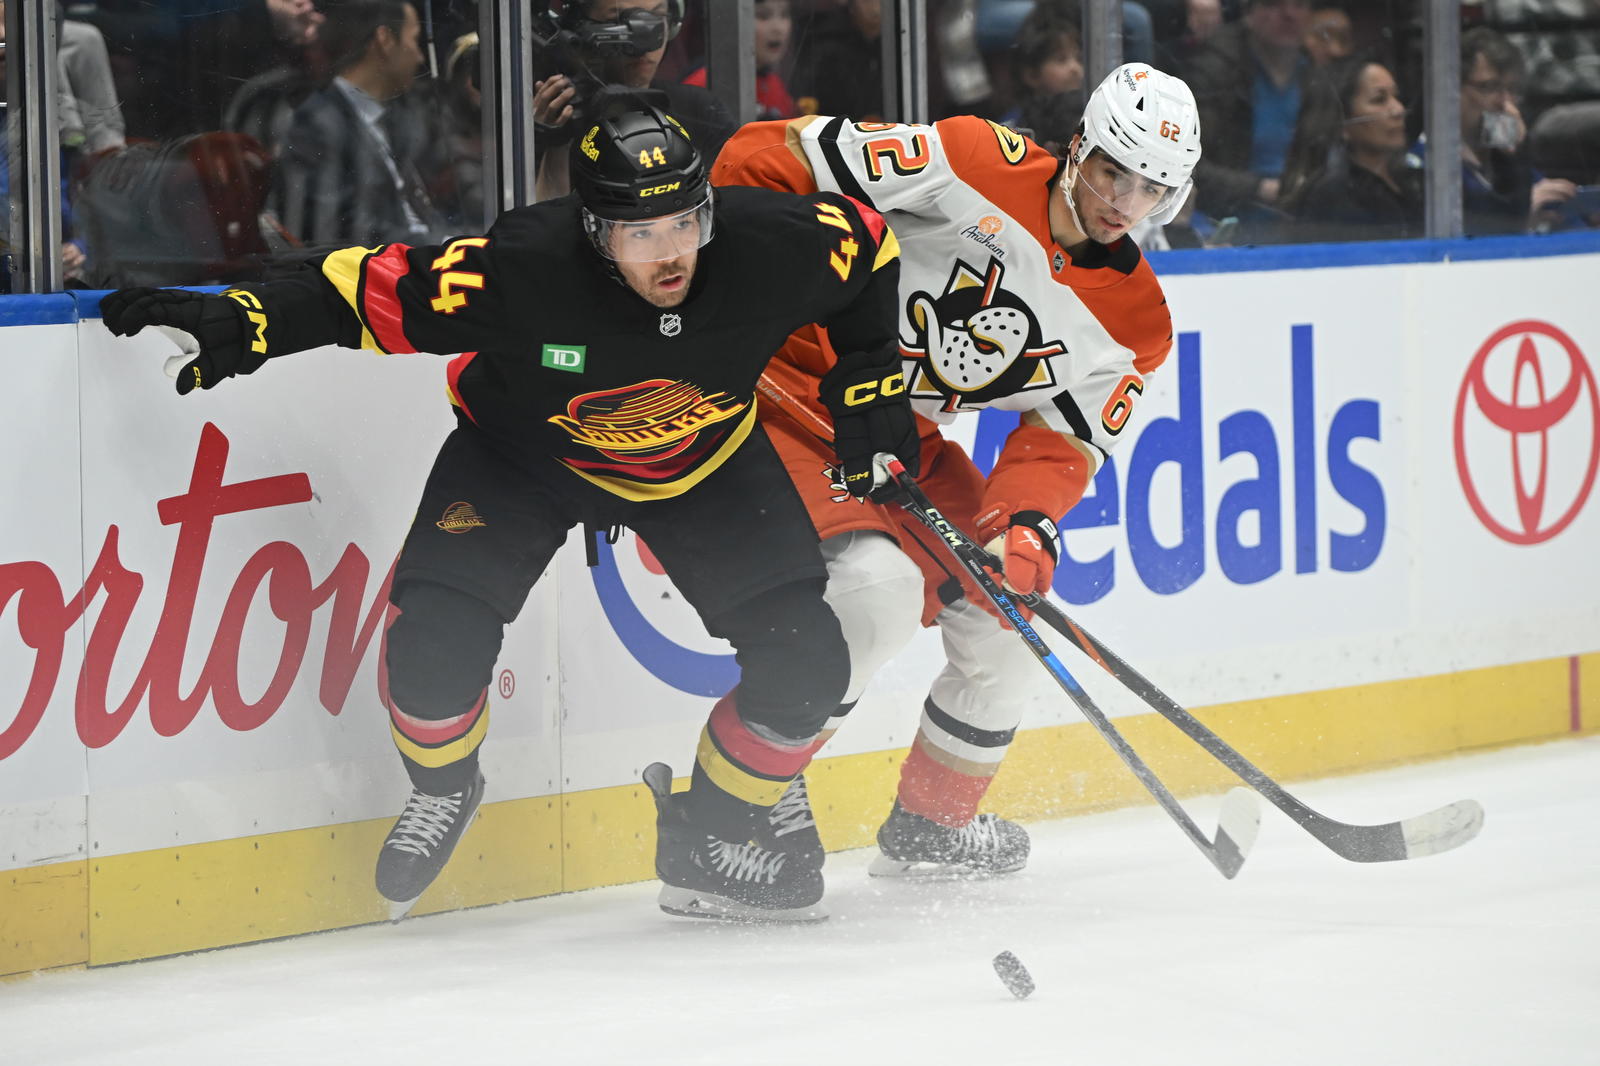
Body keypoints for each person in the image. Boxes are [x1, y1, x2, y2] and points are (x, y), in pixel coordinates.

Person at [99, 93, 917, 924]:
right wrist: (247, 321)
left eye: (685, 224)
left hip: (704, 462)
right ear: (595, 232)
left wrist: (873, 381)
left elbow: (873, 247)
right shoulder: (525, 267)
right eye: (640, 235)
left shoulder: (770, 242)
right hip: (522, 459)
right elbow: (363, 292)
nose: (671, 257)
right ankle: (446, 786)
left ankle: (713, 828)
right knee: (431, 647)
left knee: (808, 665)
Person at [712, 63, 1194, 880]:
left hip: (899, 435)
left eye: (1149, 188)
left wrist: (1023, 527)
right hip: (785, 389)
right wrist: (739, 276)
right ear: (1079, 148)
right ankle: (738, 807)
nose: (1123, 200)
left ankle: (930, 825)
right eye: (1114, 170)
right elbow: (769, 158)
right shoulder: (974, 163)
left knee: (1009, 619)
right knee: (872, 601)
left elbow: (1058, 444)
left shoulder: (1137, 325)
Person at [272, 0, 445, 247]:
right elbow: (342, 230)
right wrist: (432, 248)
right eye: (414, 40)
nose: (419, 57)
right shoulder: (319, 124)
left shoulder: (388, 120)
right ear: (385, 40)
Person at [531, 0, 735, 200]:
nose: (646, 37)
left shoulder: (700, 109)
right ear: (577, 29)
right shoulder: (554, 116)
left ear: (673, 22)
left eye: (656, 17)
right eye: (619, 19)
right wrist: (553, 140)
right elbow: (546, 221)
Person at [1184, 0, 1313, 227]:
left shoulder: (1315, 73)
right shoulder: (1215, 71)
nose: (1289, 14)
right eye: (1274, 4)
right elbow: (1188, 163)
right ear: (1248, 13)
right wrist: (1260, 188)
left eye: (1300, 4)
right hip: (1228, 219)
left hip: (1305, 216)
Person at [1441, 26, 1576, 236]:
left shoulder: (1505, 156)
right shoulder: (1433, 166)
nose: (1505, 104)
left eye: (1512, 90)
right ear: (1452, 90)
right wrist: (1521, 213)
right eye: (1489, 87)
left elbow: (1557, 216)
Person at [1279, 55, 1420, 243]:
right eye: (1379, 100)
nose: (1398, 110)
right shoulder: (1332, 196)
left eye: (1397, 97)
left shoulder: (1411, 179)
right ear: (1343, 123)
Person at [681, 0, 797, 121]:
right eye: (763, 16)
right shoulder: (706, 82)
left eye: (785, 15)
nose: (778, 28)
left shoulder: (774, 84)